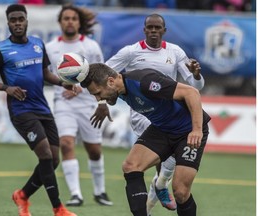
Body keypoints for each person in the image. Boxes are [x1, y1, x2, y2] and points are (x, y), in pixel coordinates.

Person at [98, 13, 204, 215]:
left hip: (168, 110)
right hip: (143, 113)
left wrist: (196, 74)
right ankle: (160, 186)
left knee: (170, 160)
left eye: (158, 28)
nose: (154, 31)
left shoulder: (175, 52)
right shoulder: (130, 52)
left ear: (164, 31)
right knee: (155, 159)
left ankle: (161, 184)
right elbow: (104, 74)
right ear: (144, 30)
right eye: (150, 28)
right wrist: (102, 100)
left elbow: (194, 86)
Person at [0, 4, 77, 216]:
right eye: (13, 20)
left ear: (26, 21)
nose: (17, 23)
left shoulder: (38, 44)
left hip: (42, 107)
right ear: (8, 23)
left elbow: (46, 74)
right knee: (45, 155)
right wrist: (7, 88)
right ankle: (58, 208)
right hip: (21, 110)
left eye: (20, 19)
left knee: (54, 159)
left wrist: (63, 83)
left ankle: (22, 195)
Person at [80, 63, 211, 216]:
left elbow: (192, 93)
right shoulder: (117, 86)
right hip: (162, 129)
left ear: (110, 81)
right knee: (130, 166)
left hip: (187, 130)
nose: (98, 99)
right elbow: (96, 70)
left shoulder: (145, 82)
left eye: (98, 93)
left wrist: (196, 129)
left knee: (180, 192)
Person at [46, 4, 113, 207]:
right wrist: (61, 84)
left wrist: (95, 97)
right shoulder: (50, 48)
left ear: (79, 22)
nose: (69, 22)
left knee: (94, 150)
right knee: (66, 144)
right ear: (60, 22)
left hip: (87, 103)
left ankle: (100, 192)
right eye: (66, 18)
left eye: (73, 18)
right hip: (63, 103)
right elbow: (47, 74)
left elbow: (101, 76)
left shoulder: (91, 47)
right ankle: (76, 194)